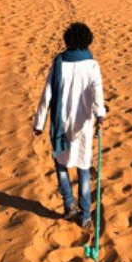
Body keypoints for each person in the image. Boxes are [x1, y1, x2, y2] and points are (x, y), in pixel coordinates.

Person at [33, 23, 107, 229]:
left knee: (61, 162)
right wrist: (100, 115)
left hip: (60, 122)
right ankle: (85, 215)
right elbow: (97, 93)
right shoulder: (92, 65)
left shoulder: (58, 63)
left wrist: (39, 123)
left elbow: (46, 94)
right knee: (83, 166)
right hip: (83, 124)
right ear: (87, 41)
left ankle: (69, 205)